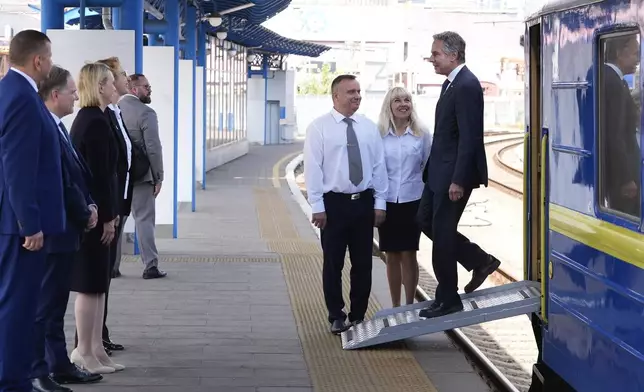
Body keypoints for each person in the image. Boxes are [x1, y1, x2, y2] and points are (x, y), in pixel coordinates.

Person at [417, 31, 500, 319]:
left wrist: (458, 180)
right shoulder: (451, 84)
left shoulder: (466, 85)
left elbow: (470, 137)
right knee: (425, 220)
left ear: (453, 55)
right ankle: (479, 259)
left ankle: (448, 298)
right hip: (437, 173)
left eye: (436, 54)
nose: (432, 59)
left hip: (452, 176)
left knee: (441, 235)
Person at [0, 29, 66, 392]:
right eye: (50, 58)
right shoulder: (23, 97)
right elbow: (18, 166)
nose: (51, 64)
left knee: (17, 305)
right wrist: (30, 223)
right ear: (38, 60)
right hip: (19, 226)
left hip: (13, 222)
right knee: (18, 307)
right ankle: (12, 382)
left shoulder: (10, 91)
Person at [32, 66, 104, 392]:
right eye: (72, 91)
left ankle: (58, 365)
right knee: (47, 305)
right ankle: (45, 369)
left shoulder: (59, 127)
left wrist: (89, 205)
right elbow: (60, 182)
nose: (77, 96)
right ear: (55, 94)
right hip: (57, 232)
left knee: (56, 303)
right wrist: (84, 210)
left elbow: (76, 176)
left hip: (68, 228)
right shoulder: (45, 128)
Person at [303, 74, 388, 335]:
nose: (357, 96)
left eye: (359, 91)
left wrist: (380, 202)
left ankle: (359, 314)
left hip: (362, 203)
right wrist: (317, 205)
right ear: (335, 96)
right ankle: (336, 315)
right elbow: (313, 168)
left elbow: (378, 165)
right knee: (333, 263)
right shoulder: (319, 128)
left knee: (363, 263)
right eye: (351, 92)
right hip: (333, 205)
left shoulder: (368, 127)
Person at [68, 63, 124, 374]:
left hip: (99, 212)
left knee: (99, 283)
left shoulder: (96, 118)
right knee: (89, 284)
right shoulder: (94, 122)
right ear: (99, 87)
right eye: (110, 82)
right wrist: (107, 217)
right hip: (94, 217)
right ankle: (83, 351)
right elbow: (100, 176)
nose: (115, 86)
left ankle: (96, 348)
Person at [376, 86, 431, 307]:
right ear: (389, 106)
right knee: (391, 255)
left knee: (409, 253)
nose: (402, 104)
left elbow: (429, 167)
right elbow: (376, 169)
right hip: (387, 202)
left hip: (413, 201)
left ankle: (409, 304)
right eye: (397, 100)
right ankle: (395, 305)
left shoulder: (422, 134)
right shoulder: (379, 135)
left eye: (406, 100)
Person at [96, 56, 133, 353]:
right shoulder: (99, 118)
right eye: (119, 77)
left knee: (105, 274)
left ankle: (101, 333)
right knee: (99, 275)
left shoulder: (115, 112)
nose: (124, 81)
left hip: (119, 200)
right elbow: (103, 167)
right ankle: (94, 337)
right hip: (109, 204)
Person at [119, 73, 166, 280]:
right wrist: (158, 177)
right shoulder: (146, 113)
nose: (150, 89)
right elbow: (153, 148)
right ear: (134, 89)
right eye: (146, 86)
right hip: (141, 175)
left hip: (119, 176)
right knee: (144, 219)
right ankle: (150, 266)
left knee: (117, 220)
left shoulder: (115, 110)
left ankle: (112, 266)